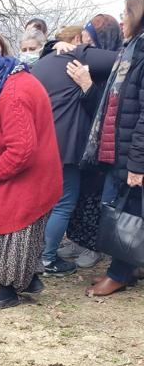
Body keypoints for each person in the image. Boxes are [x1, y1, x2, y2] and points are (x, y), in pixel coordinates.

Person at [0, 44, 63, 309]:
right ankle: (28, 280)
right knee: (26, 235)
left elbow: (22, 150)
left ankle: (8, 290)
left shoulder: (13, 95)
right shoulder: (12, 80)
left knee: (15, 231)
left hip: (26, 179)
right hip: (37, 176)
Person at [33, 20, 119, 276]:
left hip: (40, 141)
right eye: (86, 41)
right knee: (63, 202)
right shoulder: (77, 55)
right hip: (65, 145)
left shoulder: (43, 61)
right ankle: (47, 258)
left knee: (44, 202)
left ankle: (34, 254)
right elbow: (124, 58)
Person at [83, 0, 144, 297]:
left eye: (126, 14)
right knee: (122, 210)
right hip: (119, 147)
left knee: (128, 214)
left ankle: (119, 273)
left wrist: (137, 163)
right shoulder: (131, 49)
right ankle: (125, 268)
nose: (122, 20)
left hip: (132, 152)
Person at [65, 15, 123, 264]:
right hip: (84, 140)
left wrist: (88, 86)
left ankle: (94, 246)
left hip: (105, 144)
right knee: (81, 193)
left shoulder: (118, 67)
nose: (86, 44)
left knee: (97, 197)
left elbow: (108, 109)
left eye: (91, 39)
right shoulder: (91, 60)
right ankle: (78, 241)